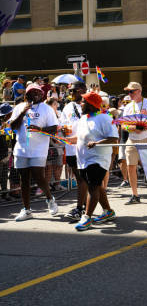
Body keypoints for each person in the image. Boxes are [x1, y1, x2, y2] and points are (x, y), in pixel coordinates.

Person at [67, 92, 119, 231]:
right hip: (84, 159)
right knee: (95, 185)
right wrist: (71, 140)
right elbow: (81, 137)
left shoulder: (105, 118)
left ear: (91, 104)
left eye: (83, 101)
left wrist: (97, 142)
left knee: (93, 186)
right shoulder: (84, 118)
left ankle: (86, 217)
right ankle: (108, 211)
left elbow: (114, 138)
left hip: (98, 159)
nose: (81, 103)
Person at [9, 84, 59, 221]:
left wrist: (40, 129)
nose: (36, 94)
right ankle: (27, 210)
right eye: (33, 92)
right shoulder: (19, 107)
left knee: (38, 176)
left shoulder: (47, 109)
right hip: (21, 149)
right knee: (23, 180)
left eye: (38, 92)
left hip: (39, 149)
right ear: (27, 94)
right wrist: (22, 113)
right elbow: (12, 126)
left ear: (42, 94)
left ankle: (50, 199)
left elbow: (54, 128)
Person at [121, 82, 147, 205]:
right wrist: (133, 128)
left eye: (131, 91)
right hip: (132, 138)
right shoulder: (128, 107)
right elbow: (123, 124)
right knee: (131, 166)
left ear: (139, 91)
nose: (129, 94)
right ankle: (135, 195)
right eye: (128, 92)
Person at [60, 82, 89, 222]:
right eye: (70, 91)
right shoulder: (67, 107)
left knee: (84, 179)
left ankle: (80, 208)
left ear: (82, 90)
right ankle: (86, 206)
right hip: (71, 148)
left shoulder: (90, 104)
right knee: (81, 179)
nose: (70, 93)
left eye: (73, 91)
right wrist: (63, 130)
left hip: (86, 147)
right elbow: (63, 124)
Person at [44, 98, 63, 192]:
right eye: (55, 104)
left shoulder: (59, 114)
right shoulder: (47, 114)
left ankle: (57, 184)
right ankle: (47, 186)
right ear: (49, 105)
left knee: (59, 164)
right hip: (51, 144)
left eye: (57, 104)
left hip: (59, 142)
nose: (57, 106)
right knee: (49, 166)